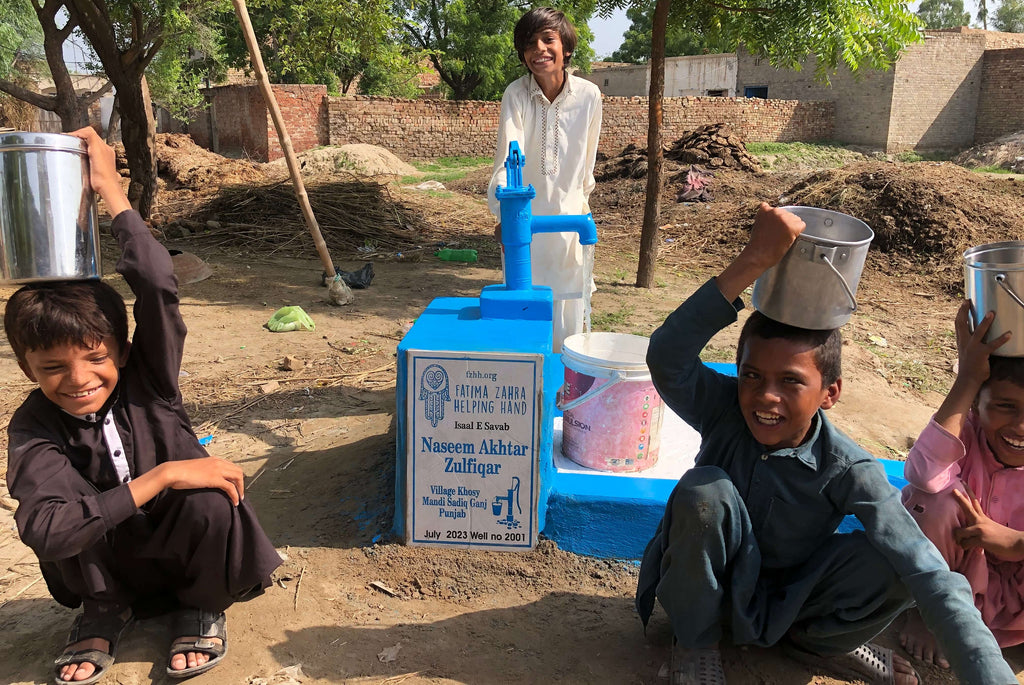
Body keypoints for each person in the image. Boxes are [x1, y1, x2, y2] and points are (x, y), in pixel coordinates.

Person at [635, 202, 1015, 685]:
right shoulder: (724, 409)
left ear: (830, 393)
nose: (764, 397)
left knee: (902, 558)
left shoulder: (848, 466)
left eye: (790, 382)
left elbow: (929, 574)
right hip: (705, 594)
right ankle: (694, 645)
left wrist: (988, 675)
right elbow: (666, 355)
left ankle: (822, 644)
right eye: (751, 375)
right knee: (704, 492)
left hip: (790, 602)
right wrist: (754, 260)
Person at [5, 127, 282, 684]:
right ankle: (105, 611)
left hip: (181, 555)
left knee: (210, 496)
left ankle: (200, 606)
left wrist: (110, 190)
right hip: (105, 570)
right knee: (67, 512)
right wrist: (163, 475)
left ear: (124, 350)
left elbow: (157, 282)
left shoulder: (150, 380)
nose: (78, 380)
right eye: (53, 368)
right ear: (27, 370)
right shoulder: (33, 425)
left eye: (95, 358)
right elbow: (46, 530)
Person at [900, 301, 1024, 668]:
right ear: (975, 406)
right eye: (1005, 406)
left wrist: (1014, 541)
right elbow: (922, 473)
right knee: (932, 502)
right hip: (956, 578)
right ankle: (929, 616)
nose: (1020, 427)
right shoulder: (964, 436)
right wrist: (967, 378)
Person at [487, 6, 602, 352]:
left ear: (565, 47)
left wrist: (580, 212)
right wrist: (504, 214)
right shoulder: (516, 95)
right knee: (525, 314)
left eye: (547, 39)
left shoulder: (589, 96)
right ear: (523, 55)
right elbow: (509, 158)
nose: (539, 49)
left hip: (569, 225)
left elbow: (586, 169)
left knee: (570, 320)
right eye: (529, 43)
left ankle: (565, 396)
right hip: (525, 225)